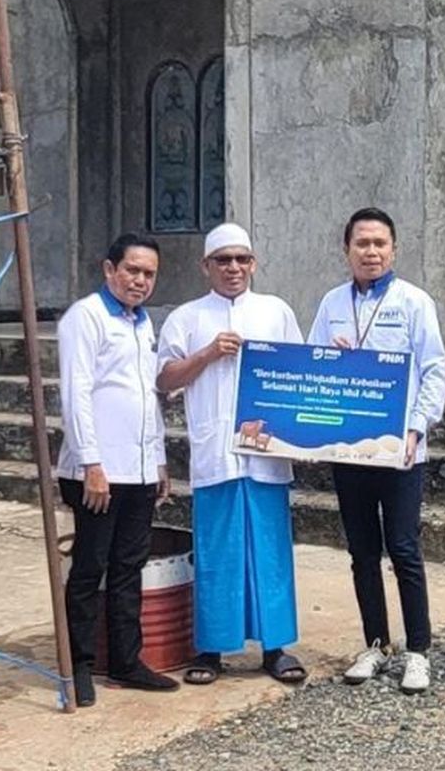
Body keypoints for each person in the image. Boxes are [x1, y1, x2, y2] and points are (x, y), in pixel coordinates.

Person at [155, 223, 307, 686]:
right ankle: (211, 649)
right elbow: (164, 380)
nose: (233, 268)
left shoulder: (275, 311)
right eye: (223, 260)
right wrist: (206, 355)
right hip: (215, 454)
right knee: (217, 551)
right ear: (206, 266)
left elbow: (299, 378)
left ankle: (275, 648)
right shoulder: (186, 317)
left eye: (242, 259)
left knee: (269, 551)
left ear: (254, 263)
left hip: (265, 456)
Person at [308, 207, 445, 693]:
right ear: (346, 249)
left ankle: (418, 650)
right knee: (362, 551)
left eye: (379, 243)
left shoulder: (413, 302)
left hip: (401, 449)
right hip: (350, 449)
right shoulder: (330, 304)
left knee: (404, 549)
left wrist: (415, 429)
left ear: (394, 249)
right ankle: (375, 643)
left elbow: (434, 369)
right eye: (361, 243)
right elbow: (313, 367)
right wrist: (334, 360)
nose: (370, 251)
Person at [56, 233, 179, 707]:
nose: (140, 281)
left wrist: (160, 459)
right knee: (90, 566)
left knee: (129, 566)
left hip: (140, 470)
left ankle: (127, 660)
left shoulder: (143, 323)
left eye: (149, 273)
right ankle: (79, 665)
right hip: (98, 471)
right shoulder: (85, 318)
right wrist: (91, 463)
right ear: (109, 270)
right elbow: (76, 396)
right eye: (132, 270)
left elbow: (147, 397)